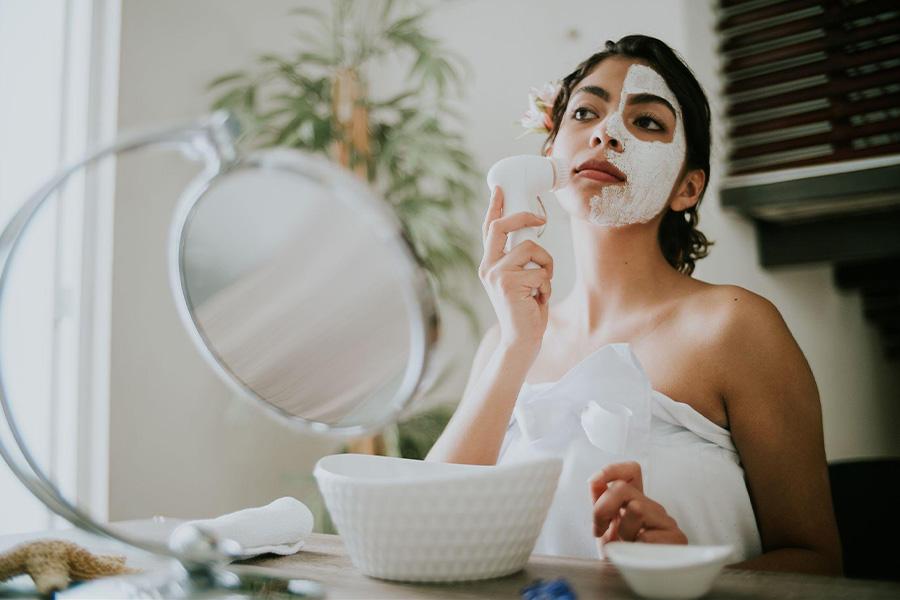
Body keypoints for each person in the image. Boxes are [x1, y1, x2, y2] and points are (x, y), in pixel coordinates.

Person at [426, 35, 842, 575]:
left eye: (646, 122)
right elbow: (429, 522)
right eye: (584, 112)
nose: (606, 132)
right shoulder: (506, 342)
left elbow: (822, 563)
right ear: (549, 153)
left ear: (687, 188)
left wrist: (688, 579)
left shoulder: (734, 327)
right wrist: (514, 347)